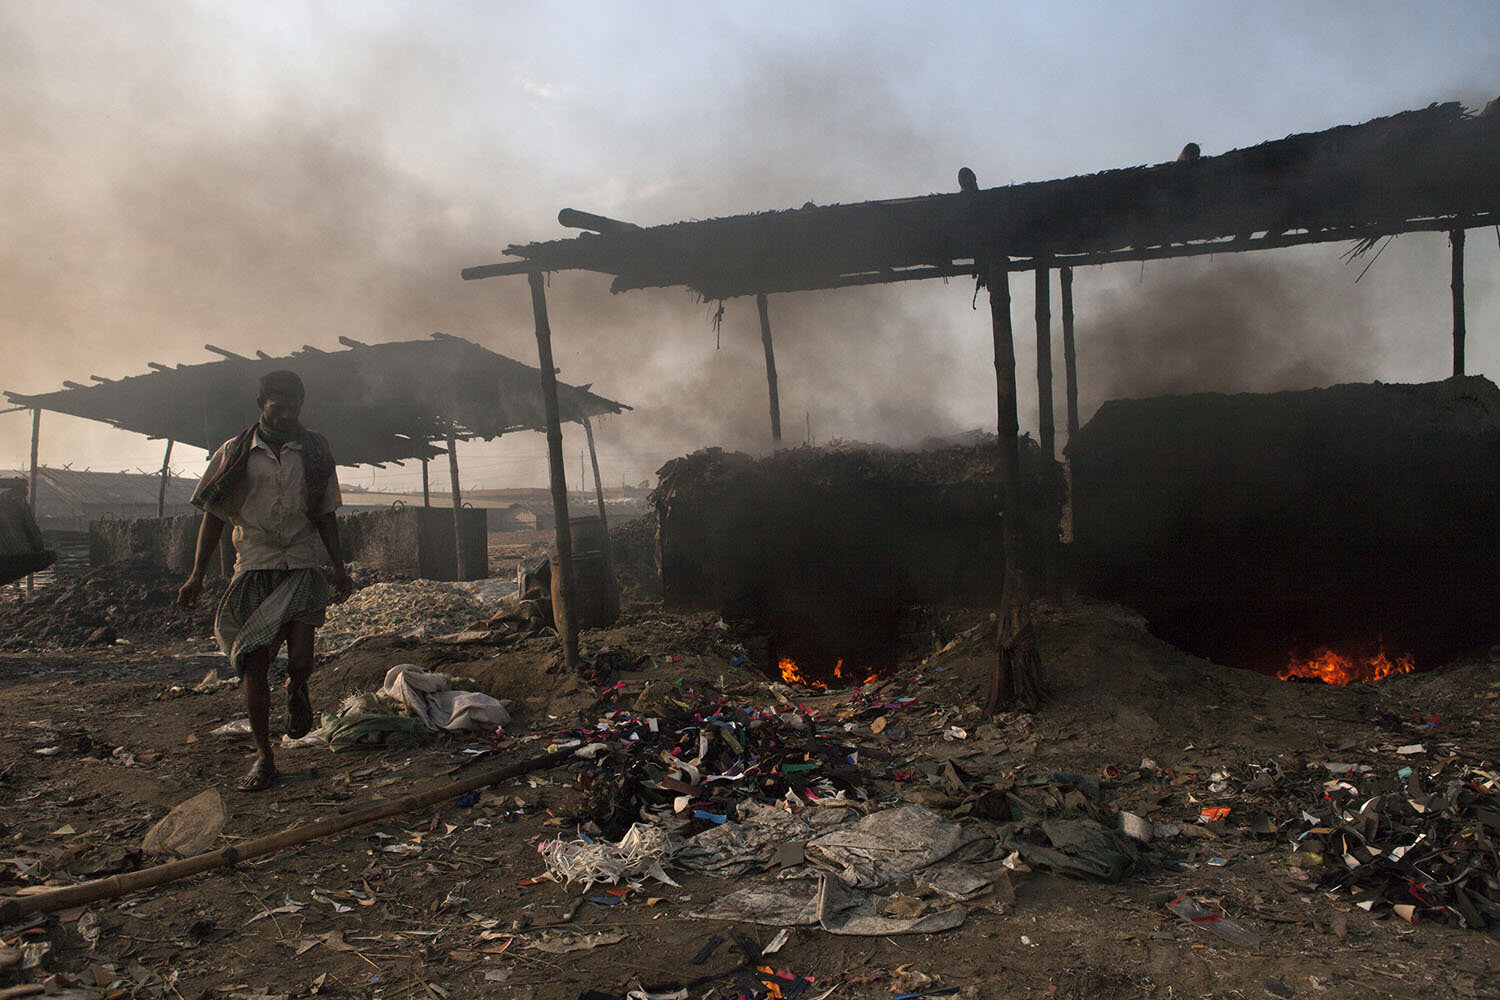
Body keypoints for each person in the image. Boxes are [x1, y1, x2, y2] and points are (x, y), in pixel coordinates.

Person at [178, 370, 352, 791]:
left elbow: (326, 513)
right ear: (262, 405)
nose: (287, 414)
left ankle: (297, 687)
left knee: (300, 660)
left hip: (303, 563)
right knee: (254, 665)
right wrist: (196, 575)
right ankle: (264, 757)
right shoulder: (236, 452)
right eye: (279, 407)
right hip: (255, 564)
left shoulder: (313, 449)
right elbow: (213, 515)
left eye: (294, 407)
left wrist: (340, 568)